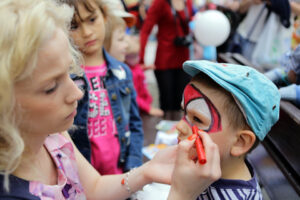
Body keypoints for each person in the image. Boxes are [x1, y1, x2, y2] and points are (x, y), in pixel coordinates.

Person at [0, 0, 222, 199]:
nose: (77, 93)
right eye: (50, 87)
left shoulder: (53, 136)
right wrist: (182, 194)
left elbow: (95, 187)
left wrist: (147, 171)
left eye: (69, 72)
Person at [175, 60, 280, 199]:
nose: (180, 126)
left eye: (198, 119)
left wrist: (181, 194)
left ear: (240, 142)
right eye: (185, 112)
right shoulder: (202, 168)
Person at [61, 0, 144, 175]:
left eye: (92, 19)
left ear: (104, 15)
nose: (87, 32)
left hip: (121, 175)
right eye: (74, 26)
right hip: (83, 179)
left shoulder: (122, 71)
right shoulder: (64, 78)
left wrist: (133, 165)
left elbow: (135, 124)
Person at [139, 0, 193, 120]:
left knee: (182, 103)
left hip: (183, 59)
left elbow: (187, 26)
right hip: (165, 60)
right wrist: (141, 60)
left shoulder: (188, 2)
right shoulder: (160, 3)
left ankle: (180, 135)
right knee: (167, 103)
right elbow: (146, 30)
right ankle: (165, 136)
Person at [104, 14, 164, 117]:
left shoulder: (129, 69)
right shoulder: (124, 73)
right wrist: (148, 108)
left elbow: (136, 69)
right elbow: (133, 96)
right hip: (140, 108)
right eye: (120, 39)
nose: (125, 45)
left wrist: (145, 68)